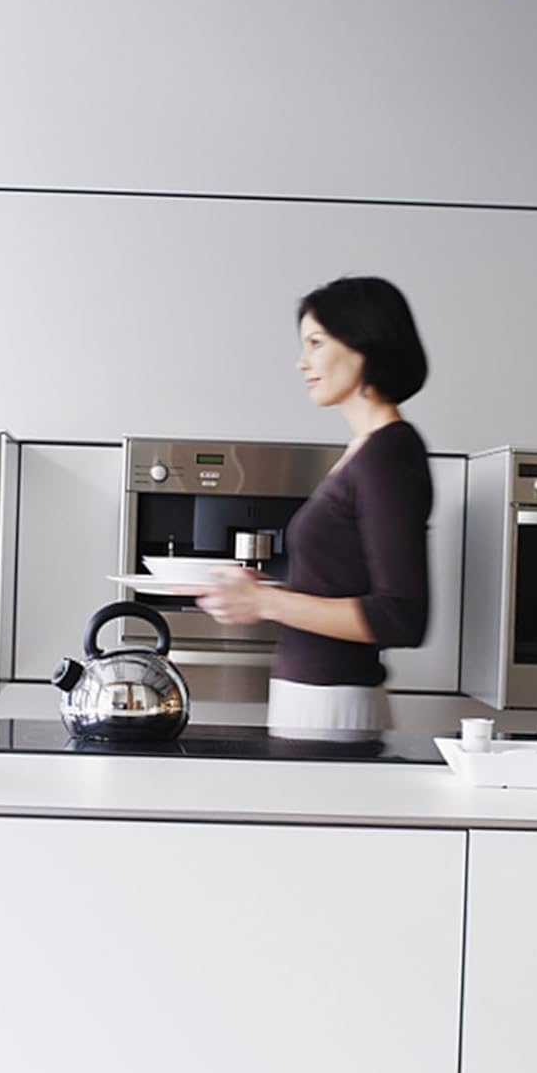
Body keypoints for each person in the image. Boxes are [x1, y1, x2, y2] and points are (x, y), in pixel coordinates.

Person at [197, 275, 432, 738]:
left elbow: (401, 616)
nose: (302, 362)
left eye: (316, 343)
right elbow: (339, 584)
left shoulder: (389, 454)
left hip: (334, 708)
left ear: (363, 345)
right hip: (316, 701)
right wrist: (264, 592)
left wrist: (266, 601)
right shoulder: (366, 451)